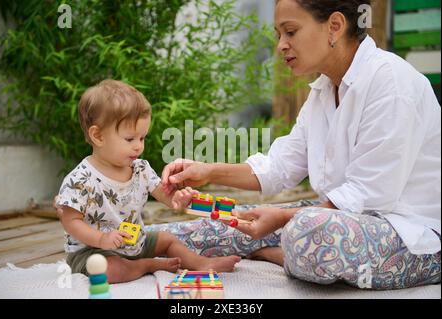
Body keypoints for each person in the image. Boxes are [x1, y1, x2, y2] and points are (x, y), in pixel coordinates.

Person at [160, 0, 441, 290]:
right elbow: (280, 166)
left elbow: (369, 195)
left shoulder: (391, 82)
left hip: (413, 235)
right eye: (278, 34)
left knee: (309, 232)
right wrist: (209, 172)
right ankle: (129, 243)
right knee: (227, 220)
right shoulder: (323, 90)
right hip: (333, 215)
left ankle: (278, 253)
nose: (281, 45)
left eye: (290, 32)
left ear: (334, 26)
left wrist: (283, 217)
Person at [55, 80, 240, 284]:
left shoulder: (140, 169)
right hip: (93, 251)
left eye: (142, 138)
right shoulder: (80, 179)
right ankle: (146, 265)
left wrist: (179, 198)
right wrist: (102, 239)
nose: (138, 147)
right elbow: (70, 221)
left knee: (168, 239)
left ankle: (200, 262)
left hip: (135, 242)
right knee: (109, 270)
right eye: (130, 139)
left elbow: (165, 195)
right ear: (98, 136)